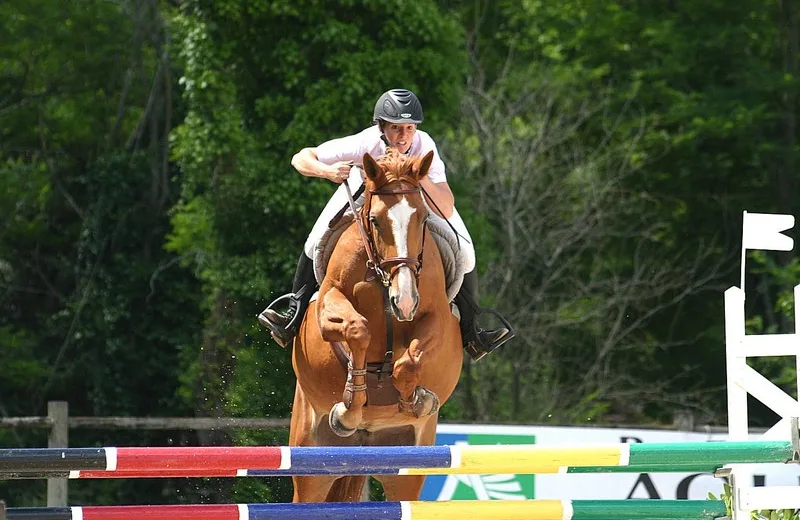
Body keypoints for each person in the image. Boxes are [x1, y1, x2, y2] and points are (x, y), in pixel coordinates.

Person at [258, 88, 514, 361]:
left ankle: (473, 330)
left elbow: (446, 204)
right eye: (395, 128)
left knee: (465, 250)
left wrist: (420, 177)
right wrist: (328, 172)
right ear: (381, 127)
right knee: (315, 239)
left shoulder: (424, 145)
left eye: (409, 128)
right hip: (368, 194)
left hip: (414, 197)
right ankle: (293, 313)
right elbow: (301, 157)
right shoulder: (365, 142)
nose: (404, 137)